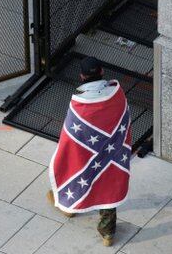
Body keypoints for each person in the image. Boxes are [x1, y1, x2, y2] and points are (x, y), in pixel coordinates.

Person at [47, 57, 132, 247]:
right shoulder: (117, 93)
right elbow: (124, 118)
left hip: (86, 153)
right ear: (102, 72)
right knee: (109, 181)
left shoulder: (79, 102)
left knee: (74, 169)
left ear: (82, 76)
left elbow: (69, 136)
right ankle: (107, 233)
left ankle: (69, 205)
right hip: (113, 153)